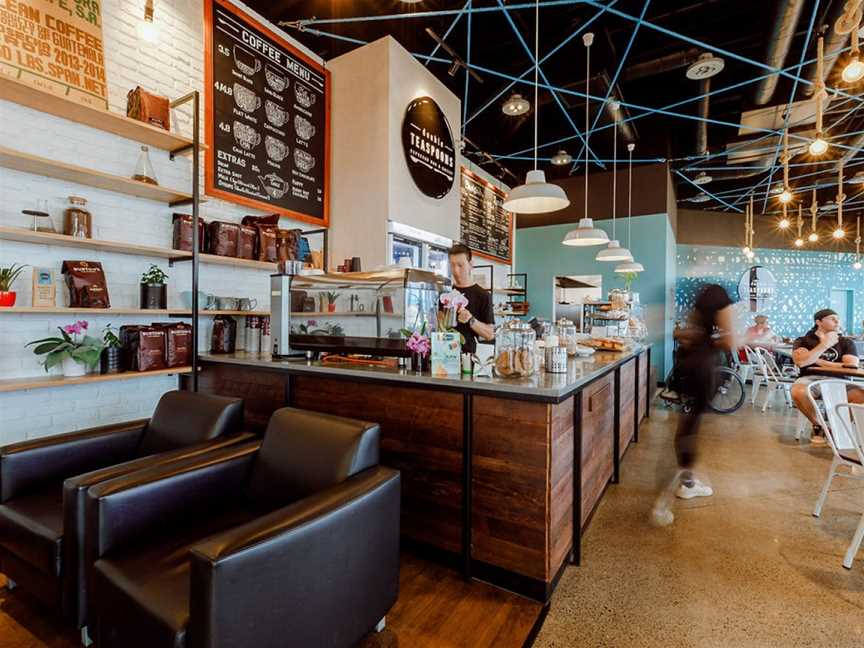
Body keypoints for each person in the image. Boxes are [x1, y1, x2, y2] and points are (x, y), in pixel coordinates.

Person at [653, 283, 736, 527]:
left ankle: (687, 480)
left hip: (687, 368)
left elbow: (682, 335)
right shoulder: (724, 306)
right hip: (702, 371)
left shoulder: (696, 312)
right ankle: (684, 484)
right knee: (691, 427)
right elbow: (731, 341)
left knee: (686, 424)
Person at [790, 309, 864, 446]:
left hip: (840, 381)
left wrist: (817, 360)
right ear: (819, 322)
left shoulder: (845, 342)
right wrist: (825, 345)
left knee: (861, 396)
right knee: (797, 391)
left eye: (838, 318)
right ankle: (819, 426)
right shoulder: (803, 340)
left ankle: (838, 427)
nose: (837, 321)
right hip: (810, 378)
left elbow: (851, 365)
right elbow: (801, 362)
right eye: (832, 318)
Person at [447, 243, 495, 354]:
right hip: (444, 358)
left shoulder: (483, 295)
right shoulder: (445, 293)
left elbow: (490, 334)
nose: (456, 270)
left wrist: (471, 320)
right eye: (452, 265)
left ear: (470, 264)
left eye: (460, 265)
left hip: (470, 360)